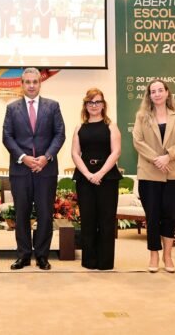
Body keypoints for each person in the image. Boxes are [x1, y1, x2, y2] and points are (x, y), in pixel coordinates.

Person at [2, 67, 65, 270]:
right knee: (21, 214)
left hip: (46, 170)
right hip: (20, 170)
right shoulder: (12, 108)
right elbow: (7, 137)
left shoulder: (52, 106)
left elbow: (60, 134)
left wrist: (46, 157)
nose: (31, 85)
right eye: (27, 82)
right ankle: (23, 256)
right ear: (21, 84)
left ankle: (42, 256)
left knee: (45, 214)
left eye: (34, 82)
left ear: (40, 83)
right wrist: (23, 157)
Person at [132, 78, 175, 273]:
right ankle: (154, 255)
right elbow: (138, 141)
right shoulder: (142, 116)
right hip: (149, 173)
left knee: (170, 216)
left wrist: (168, 157)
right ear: (149, 95)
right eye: (153, 91)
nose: (156, 94)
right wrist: (158, 159)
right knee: (153, 216)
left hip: (173, 173)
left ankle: (168, 256)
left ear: (167, 92)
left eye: (160, 90)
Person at [71, 88, 122, 270]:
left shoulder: (111, 126)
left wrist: (100, 173)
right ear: (85, 105)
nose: (94, 105)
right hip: (85, 179)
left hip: (107, 178)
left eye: (97, 102)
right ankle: (89, 261)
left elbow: (116, 152)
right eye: (90, 102)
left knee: (106, 220)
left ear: (103, 105)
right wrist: (88, 174)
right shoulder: (79, 128)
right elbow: (75, 153)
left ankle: (105, 262)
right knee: (88, 219)